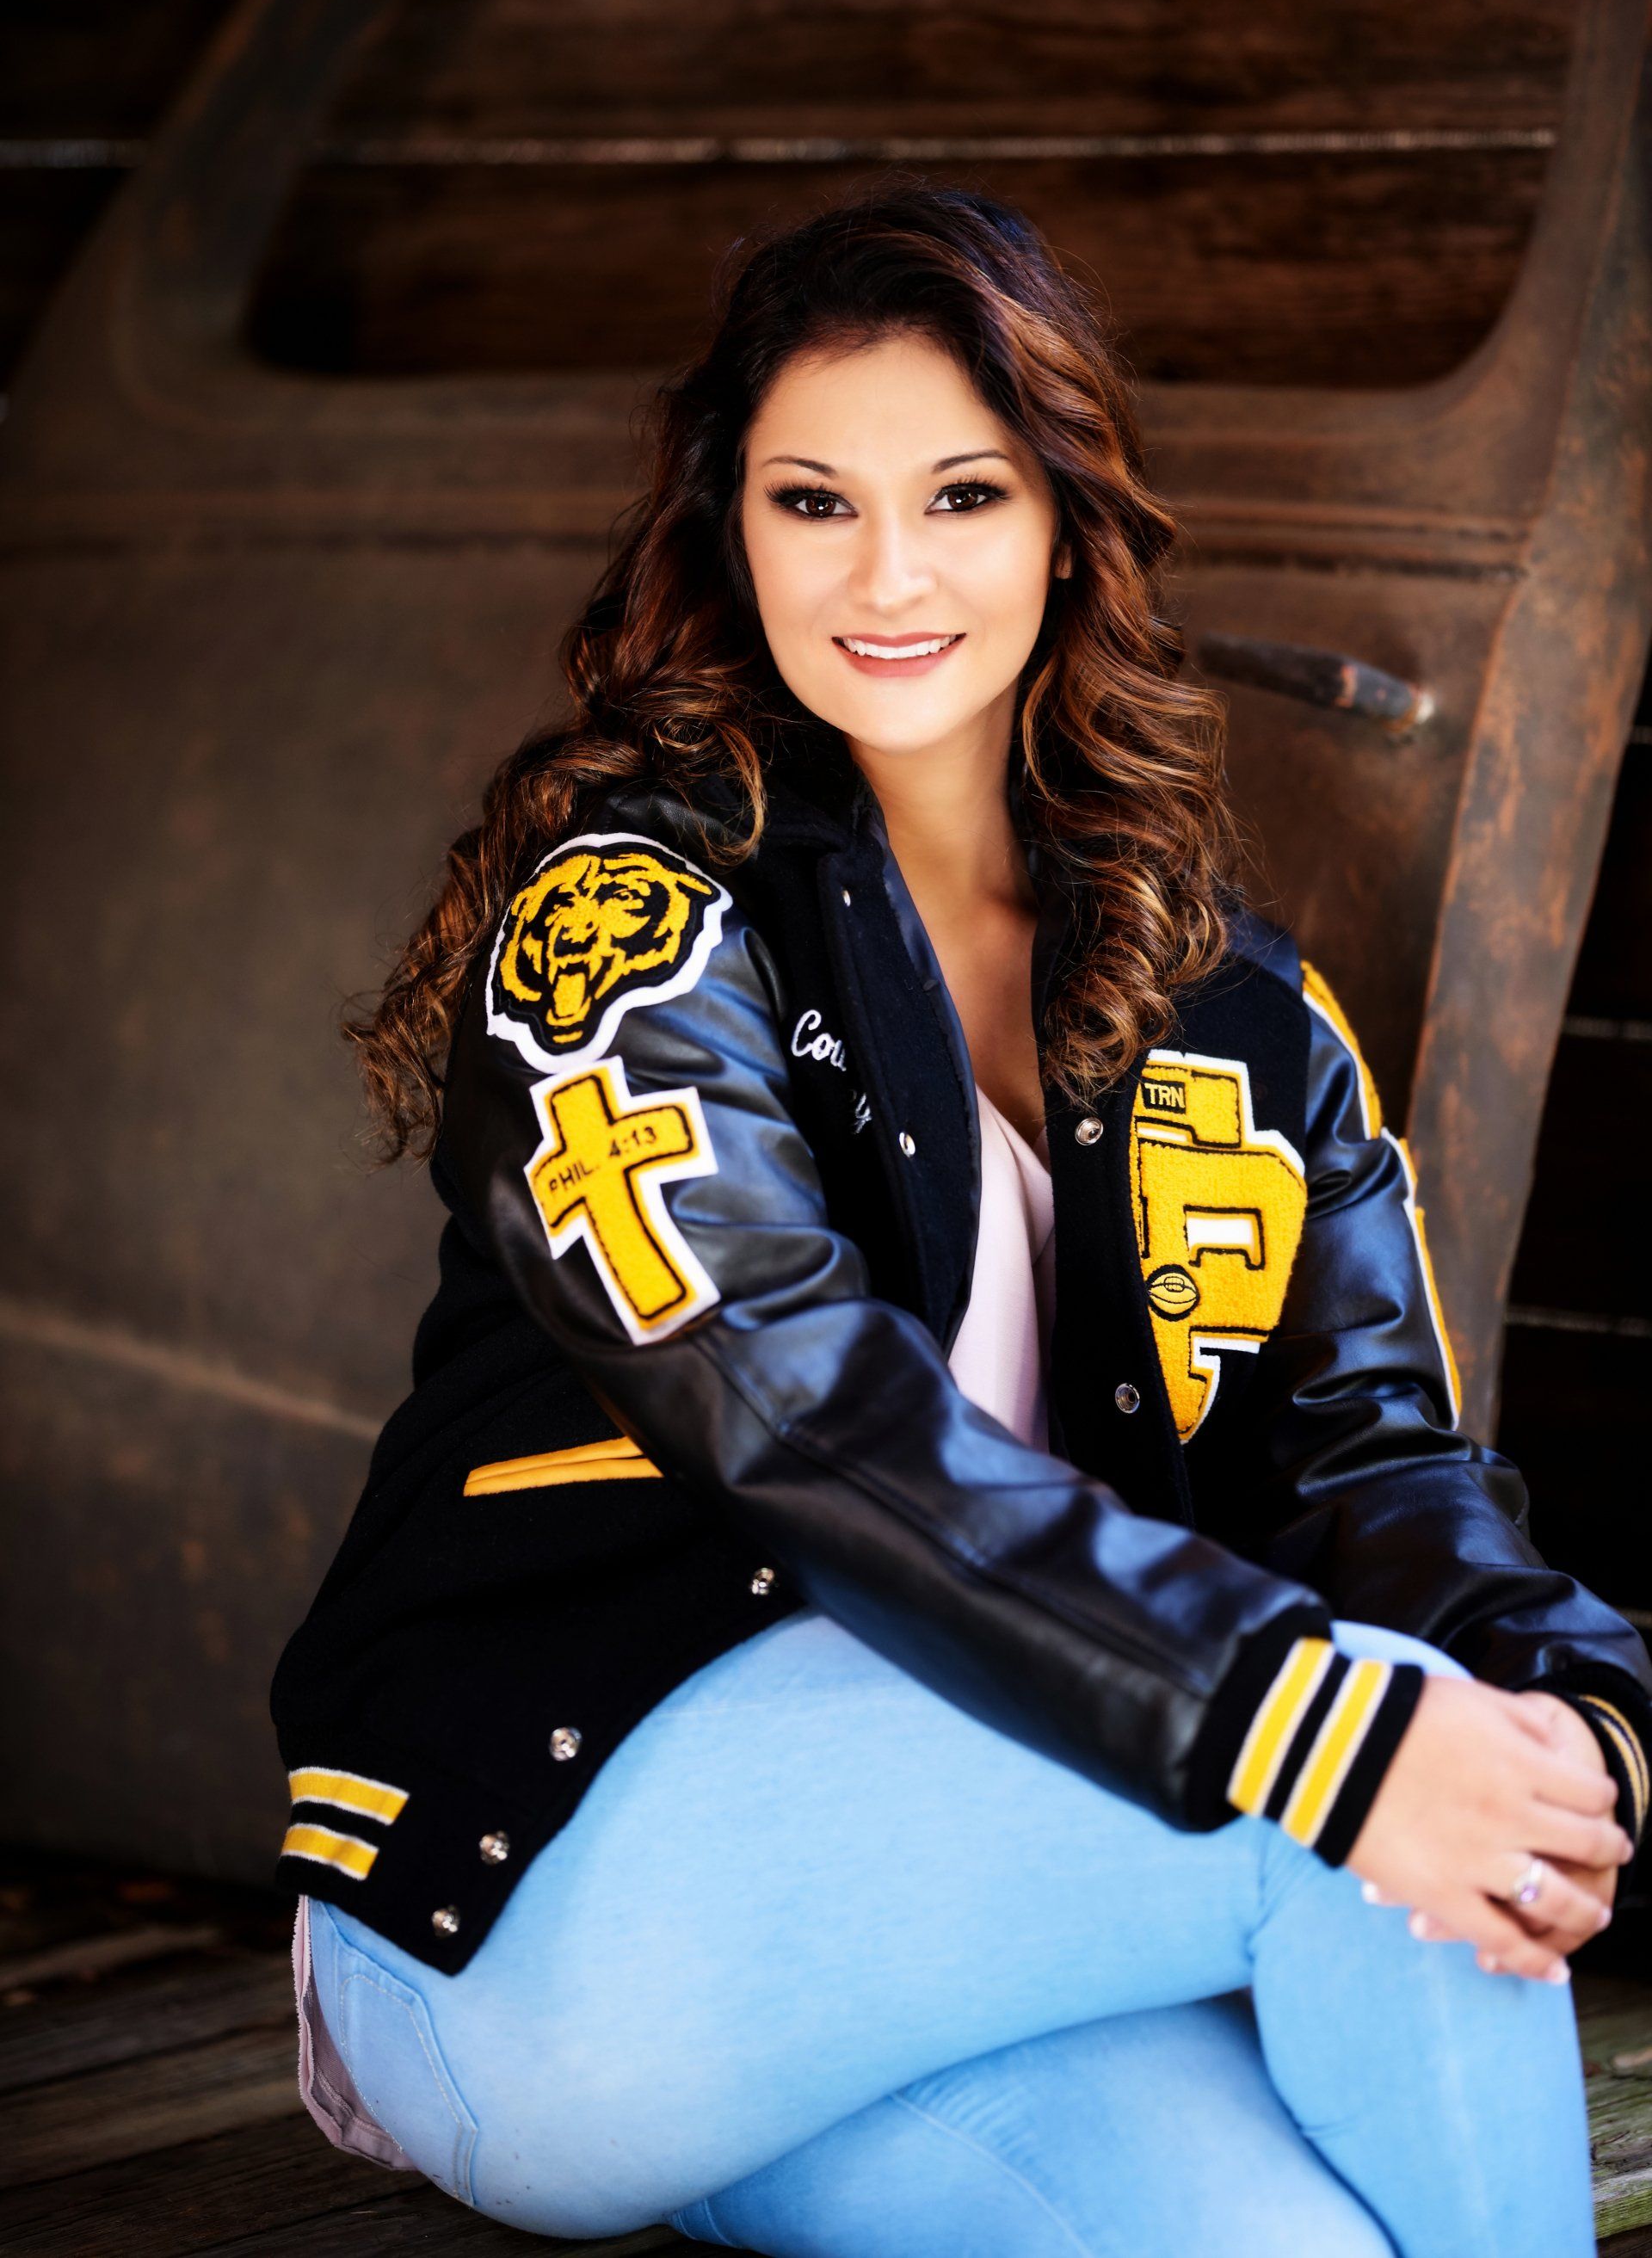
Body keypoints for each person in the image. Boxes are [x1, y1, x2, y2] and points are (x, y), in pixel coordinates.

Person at [270, 183, 1651, 2258]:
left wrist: (1572, 1725)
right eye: (815, 503)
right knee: (1356, 1796)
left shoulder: (1235, 1014)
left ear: (1069, 527)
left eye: (964, 496)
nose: (889, 574)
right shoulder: (635, 924)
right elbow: (793, 1407)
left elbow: (1381, 1457)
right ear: (732, 531)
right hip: (527, 1910)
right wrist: (1350, 1729)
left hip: (889, 1930)